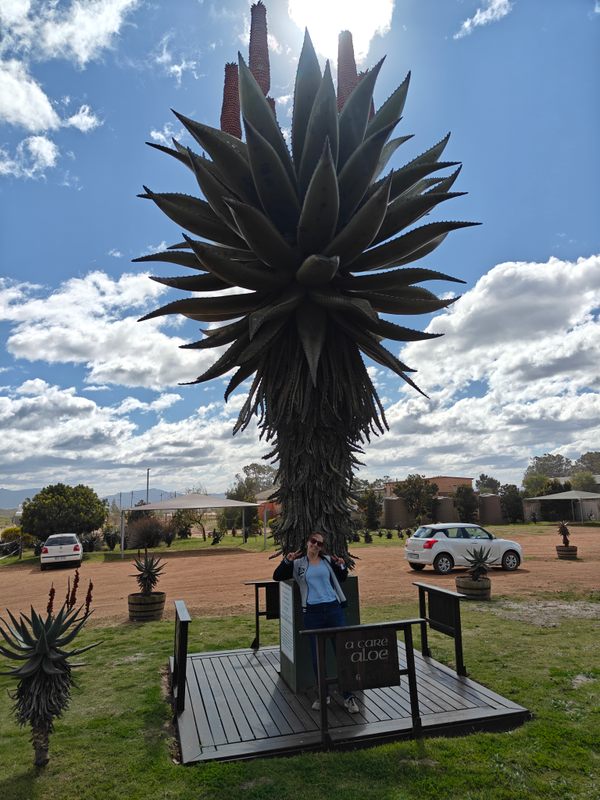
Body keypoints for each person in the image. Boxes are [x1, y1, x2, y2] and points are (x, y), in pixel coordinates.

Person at [273, 531, 360, 713]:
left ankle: (348, 696)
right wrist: (287, 561)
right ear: (307, 542)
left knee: (341, 653)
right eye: (313, 541)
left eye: (320, 544)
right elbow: (277, 576)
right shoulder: (298, 564)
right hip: (313, 613)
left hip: (333, 610)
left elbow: (342, 577)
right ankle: (323, 694)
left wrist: (342, 566)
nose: (316, 546)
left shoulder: (327, 561)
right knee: (317, 657)